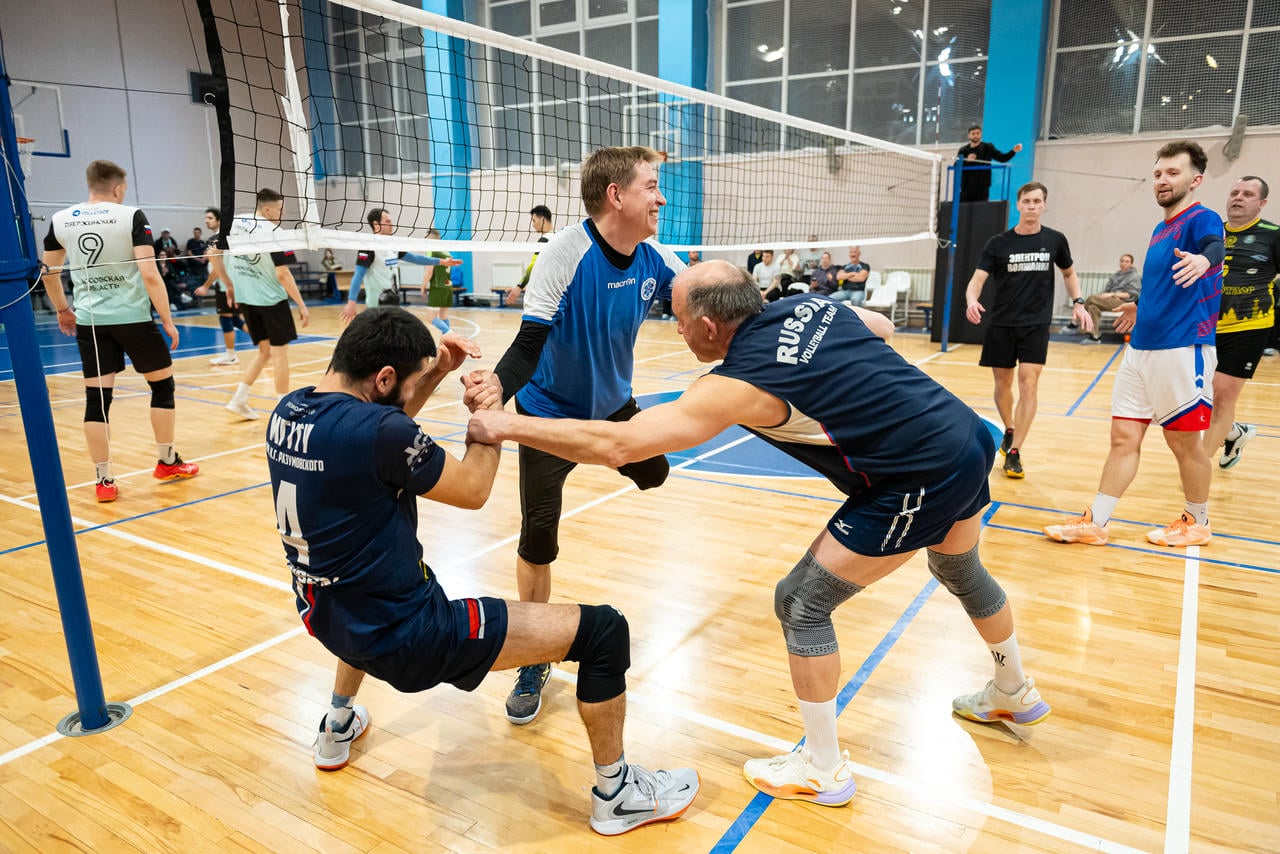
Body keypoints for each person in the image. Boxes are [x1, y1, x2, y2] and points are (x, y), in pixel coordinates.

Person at [465, 261, 1052, 808]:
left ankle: (823, 768)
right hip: (966, 435)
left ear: (708, 326)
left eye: (678, 319)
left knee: (801, 603)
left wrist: (507, 424)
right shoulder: (809, 304)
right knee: (959, 568)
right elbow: (881, 326)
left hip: (920, 474)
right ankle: (1013, 690)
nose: (676, 330)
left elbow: (620, 445)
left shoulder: (737, 383)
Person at [267, 307, 698, 836]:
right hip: (409, 636)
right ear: (383, 378)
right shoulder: (378, 431)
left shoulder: (289, 412)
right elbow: (472, 489)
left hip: (324, 615)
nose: (409, 394)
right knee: (605, 632)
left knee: (357, 593)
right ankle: (618, 795)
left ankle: (337, 723)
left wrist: (435, 372)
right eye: (406, 384)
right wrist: (488, 421)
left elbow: (381, 428)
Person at [465, 145, 685, 728]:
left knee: (656, 473)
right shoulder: (564, 253)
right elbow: (527, 345)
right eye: (651, 187)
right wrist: (497, 387)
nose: (661, 198)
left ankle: (613, 450)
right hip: (549, 419)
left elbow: (709, 299)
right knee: (538, 539)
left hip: (614, 411)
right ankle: (534, 656)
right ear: (617, 195)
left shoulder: (657, 257)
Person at [1045, 140, 1224, 548]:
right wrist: (1140, 307)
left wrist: (1205, 260)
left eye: (1173, 172)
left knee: (1184, 443)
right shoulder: (1160, 230)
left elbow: (1214, 246)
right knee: (1123, 438)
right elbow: (1164, 285)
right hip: (1140, 349)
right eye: (1158, 173)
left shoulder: (1202, 218)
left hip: (1182, 348)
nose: (1162, 180)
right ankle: (1097, 522)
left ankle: (1198, 521)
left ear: (1195, 180)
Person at [39, 159, 200, 502]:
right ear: (116, 188)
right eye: (123, 189)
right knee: (162, 387)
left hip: (91, 321)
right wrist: (167, 320)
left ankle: (104, 480)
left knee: (97, 400)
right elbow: (149, 273)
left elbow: (48, 273)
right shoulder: (131, 216)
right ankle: (167, 461)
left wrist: (63, 310)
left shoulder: (61, 219)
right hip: (134, 319)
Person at [964, 181, 1088, 479]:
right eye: (1027, 201)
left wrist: (1079, 302)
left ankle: (1015, 451)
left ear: (1044, 205)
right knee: (1002, 384)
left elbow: (1069, 274)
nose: (1032, 206)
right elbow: (977, 279)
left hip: (1036, 324)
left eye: (1037, 201)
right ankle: (1009, 428)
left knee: (1028, 383)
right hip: (1002, 323)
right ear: (1018, 205)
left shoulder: (1055, 240)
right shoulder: (998, 243)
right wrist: (971, 300)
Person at [1202, 176, 1278, 470]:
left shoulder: (1273, 235)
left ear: (1262, 203)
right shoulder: (1213, 233)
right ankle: (1234, 433)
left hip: (1249, 327)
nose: (1238, 197)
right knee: (1200, 396)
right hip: (1206, 326)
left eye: (1247, 194)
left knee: (1222, 398)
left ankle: (1198, 470)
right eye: (1234, 192)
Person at [217, 188, 311, 421]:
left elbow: (213, 252)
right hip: (270, 300)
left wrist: (229, 284)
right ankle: (283, 412)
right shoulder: (274, 232)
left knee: (265, 351)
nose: (282, 214)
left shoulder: (235, 222)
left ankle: (238, 399)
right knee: (279, 354)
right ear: (267, 209)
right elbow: (283, 274)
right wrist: (301, 304)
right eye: (279, 209)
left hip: (246, 299)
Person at [339, 209, 461, 330]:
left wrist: (442, 262)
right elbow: (358, 276)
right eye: (387, 222)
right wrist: (351, 302)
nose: (392, 224)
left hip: (394, 303)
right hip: (376, 307)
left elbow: (416, 258)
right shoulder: (368, 247)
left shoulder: (393, 245)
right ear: (376, 225)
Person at [194, 207, 247, 366]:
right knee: (236, 320)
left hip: (225, 286)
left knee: (226, 319)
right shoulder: (229, 237)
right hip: (234, 284)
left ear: (219, 220)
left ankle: (231, 356)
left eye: (210, 218)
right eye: (206, 218)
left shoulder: (217, 239)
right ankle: (266, 341)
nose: (206, 221)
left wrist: (205, 286)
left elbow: (217, 268)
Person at [1076, 254, 1141, 344]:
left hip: (1122, 302)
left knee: (1091, 298)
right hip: (1110, 300)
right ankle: (1094, 337)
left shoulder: (1134, 276)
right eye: (1122, 261)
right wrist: (1106, 295)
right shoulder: (1116, 275)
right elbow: (1106, 291)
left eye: (1127, 261)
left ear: (1131, 264)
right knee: (1092, 307)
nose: (1123, 263)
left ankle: (1076, 322)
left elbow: (1132, 294)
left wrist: (1113, 294)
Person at [957, 124, 1022, 203]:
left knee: (982, 208)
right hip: (966, 187)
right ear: (968, 136)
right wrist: (967, 160)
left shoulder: (988, 147)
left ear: (981, 134)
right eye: (973, 133)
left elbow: (1002, 158)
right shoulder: (963, 150)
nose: (975, 136)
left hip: (982, 187)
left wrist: (1013, 151)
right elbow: (956, 166)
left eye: (977, 133)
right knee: (963, 209)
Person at [508, 204, 554, 305]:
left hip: (544, 294)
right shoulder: (558, 237)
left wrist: (519, 287)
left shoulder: (544, 240)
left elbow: (533, 266)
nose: (533, 224)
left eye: (534, 220)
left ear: (542, 219)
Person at [421, 227, 458, 332]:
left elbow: (429, 271)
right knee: (443, 316)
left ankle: (450, 334)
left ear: (429, 238)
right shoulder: (446, 252)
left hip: (438, 286)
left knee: (431, 317)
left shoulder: (432, 250)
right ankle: (447, 339)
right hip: (448, 287)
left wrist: (423, 286)